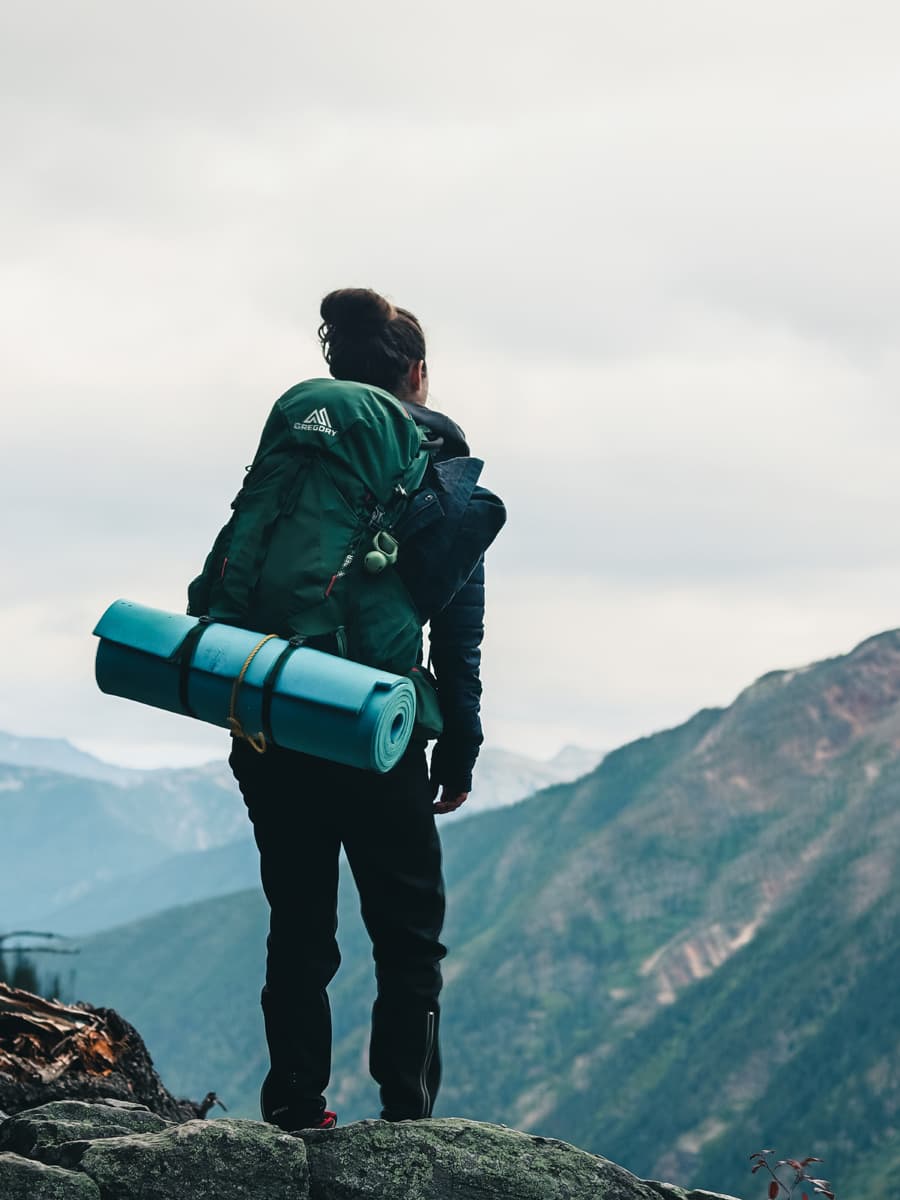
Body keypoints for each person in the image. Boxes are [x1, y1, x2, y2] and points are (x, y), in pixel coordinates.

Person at [226, 287, 500, 1131]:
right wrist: (457, 748)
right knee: (407, 935)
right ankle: (406, 1120)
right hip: (368, 724)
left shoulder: (305, 446)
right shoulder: (434, 458)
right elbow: (456, 631)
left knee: (299, 925)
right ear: (417, 374)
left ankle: (295, 1106)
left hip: (269, 702)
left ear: (337, 368)